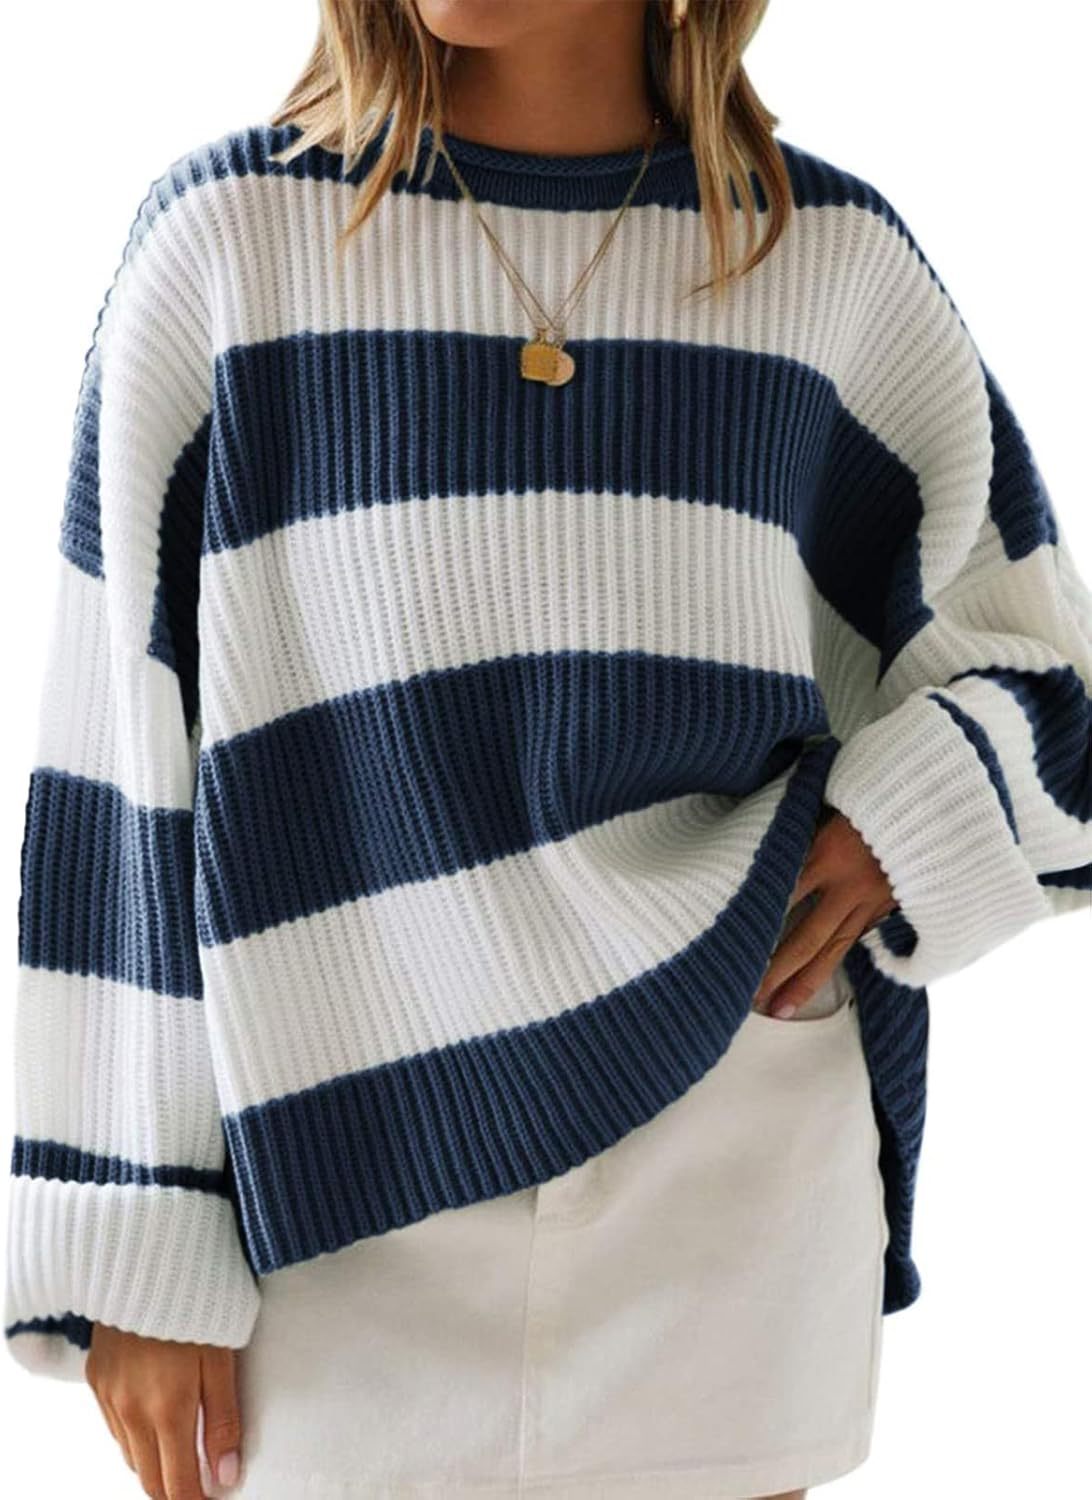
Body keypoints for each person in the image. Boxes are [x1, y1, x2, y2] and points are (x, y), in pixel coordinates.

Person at [5, 2, 1091, 1497]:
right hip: (336, 1187)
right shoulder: (229, 244)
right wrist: (131, 1234)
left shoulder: (828, 262)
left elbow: (1045, 675)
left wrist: (909, 821)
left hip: (731, 1168)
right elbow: (117, 764)